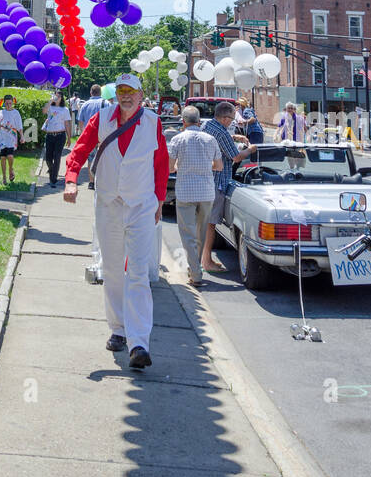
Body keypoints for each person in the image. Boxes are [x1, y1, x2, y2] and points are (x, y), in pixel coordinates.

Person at [64, 72, 169, 370]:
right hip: (109, 204)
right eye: (121, 90)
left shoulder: (152, 121)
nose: (125, 96)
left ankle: (139, 343)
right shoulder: (101, 118)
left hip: (141, 206)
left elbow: (161, 163)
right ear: (116, 93)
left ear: (140, 95)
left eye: (131, 91)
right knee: (111, 269)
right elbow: (81, 148)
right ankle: (118, 329)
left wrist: (159, 200)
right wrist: (71, 179)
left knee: (137, 272)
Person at [170, 106, 223, 286]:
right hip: (207, 192)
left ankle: (195, 273)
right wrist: (207, 166)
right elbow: (219, 166)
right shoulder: (210, 139)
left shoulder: (177, 139)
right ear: (199, 122)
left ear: (183, 122)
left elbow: (170, 168)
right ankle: (195, 267)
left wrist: (178, 167)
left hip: (185, 191)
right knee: (200, 233)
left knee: (188, 235)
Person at [200, 101, 251, 274]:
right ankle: (206, 261)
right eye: (231, 119)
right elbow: (236, 157)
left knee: (203, 222)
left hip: (204, 179)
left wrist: (235, 137)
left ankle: (201, 258)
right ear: (224, 117)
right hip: (218, 180)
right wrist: (251, 149)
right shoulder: (221, 132)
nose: (232, 122)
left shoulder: (207, 125)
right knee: (211, 223)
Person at [0, 93, 25, 185]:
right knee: (3, 157)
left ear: (12, 103)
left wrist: (22, 136)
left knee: (10, 156)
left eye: (10, 103)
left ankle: (11, 169)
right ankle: (4, 177)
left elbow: (19, 125)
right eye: (6, 103)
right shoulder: (1, 112)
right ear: (4, 103)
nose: (8, 105)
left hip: (11, 136)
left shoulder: (16, 112)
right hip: (2, 137)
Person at [43, 89, 72, 187]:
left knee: (57, 157)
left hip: (60, 135)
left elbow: (67, 124)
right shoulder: (50, 107)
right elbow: (44, 111)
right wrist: (50, 101)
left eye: (59, 96)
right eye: (55, 96)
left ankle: (53, 178)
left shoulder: (65, 109)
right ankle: (51, 170)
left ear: (62, 98)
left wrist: (69, 137)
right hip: (50, 135)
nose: (57, 97)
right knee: (48, 157)